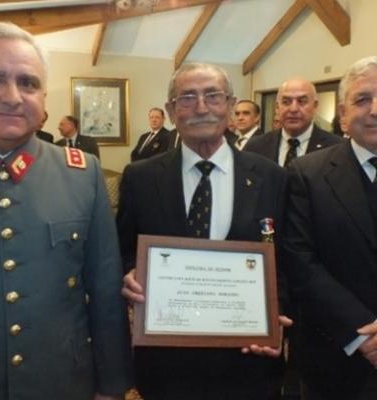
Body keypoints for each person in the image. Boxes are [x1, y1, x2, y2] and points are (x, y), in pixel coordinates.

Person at [0, 21, 133, 400]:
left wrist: (112, 386)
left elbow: (105, 289)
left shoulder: (81, 173)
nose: (13, 96)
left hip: (62, 382)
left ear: (45, 98)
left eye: (28, 83)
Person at [117, 62, 291, 400]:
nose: (201, 107)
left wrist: (277, 315)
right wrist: (128, 273)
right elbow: (121, 248)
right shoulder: (139, 177)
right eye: (187, 98)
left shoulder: (273, 177)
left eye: (212, 96)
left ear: (229, 104)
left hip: (249, 358)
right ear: (170, 110)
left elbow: (288, 258)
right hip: (168, 362)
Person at [283, 56, 377, 399]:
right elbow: (300, 260)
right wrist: (364, 333)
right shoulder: (307, 173)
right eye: (362, 99)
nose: (375, 110)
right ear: (342, 113)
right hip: (336, 354)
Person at [245, 78, 342, 166]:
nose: (293, 109)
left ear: (315, 106)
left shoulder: (337, 148)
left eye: (302, 101)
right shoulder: (256, 147)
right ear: (277, 108)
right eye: (286, 102)